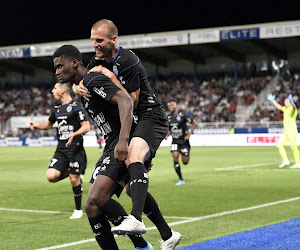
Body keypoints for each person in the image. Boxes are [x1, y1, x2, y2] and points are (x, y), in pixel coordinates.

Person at [75, 19, 181, 247]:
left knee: (133, 154)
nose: (95, 45)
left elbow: (130, 101)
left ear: (114, 39)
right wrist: (78, 86)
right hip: (135, 124)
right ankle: (168, 235)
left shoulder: (128, 60)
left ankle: (136, 220)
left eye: (100, 40)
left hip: (150, 115)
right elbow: (88, 79)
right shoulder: (97, 61)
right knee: (132, 189)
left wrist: (111, 78)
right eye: (92, 40)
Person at [53, 44, 156, 249]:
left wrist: (125, 142)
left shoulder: (92, 79)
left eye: (59, 66)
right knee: (92, 206)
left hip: (120, 143)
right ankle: (142, 246)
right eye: (55, 68)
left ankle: (145, 244)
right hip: (111, 144)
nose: (56, 71)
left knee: (98, 197)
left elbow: (126, 101)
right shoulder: (83, 86)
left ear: (74, 63)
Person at [29, 82, 90, 219]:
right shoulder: (56, 109)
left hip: (75, 149)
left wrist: (74, 134)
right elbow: (48, 124)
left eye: (55, 88)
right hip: (61, 149)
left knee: (73, 179)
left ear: (63, 90)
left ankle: (78, 210)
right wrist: (36, 125)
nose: (52, 91)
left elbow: (86, 127)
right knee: (51, 176)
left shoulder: (76, 107)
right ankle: (74, 174)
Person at [165, 100, 197, 185]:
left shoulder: (183, 116)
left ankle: (186, 154)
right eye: (169, 105)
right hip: (175, 142)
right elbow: (171, 129)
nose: (170, 106)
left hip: (184, 142)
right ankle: (181, 179)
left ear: (176, 106)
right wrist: (167, 135)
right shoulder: (168, 118)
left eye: (172, 105)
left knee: (185, 162)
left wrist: (189, 134)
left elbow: (194, 123)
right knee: (175, 158)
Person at [267, 93, 300, 168]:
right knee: (279, 145)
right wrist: (273, 101)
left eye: (286, 101)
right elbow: (279, 107)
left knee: (294, 147)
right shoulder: (285, 109)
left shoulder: (292, 109)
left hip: (292, 131)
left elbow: (294, 108)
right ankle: (285, 161)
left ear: (290, 102)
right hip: (286, 132)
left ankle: (298, 163)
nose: (284, 102)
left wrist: (292, 102)